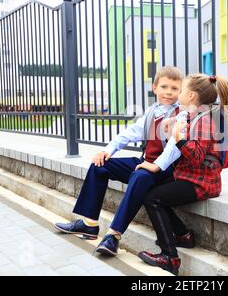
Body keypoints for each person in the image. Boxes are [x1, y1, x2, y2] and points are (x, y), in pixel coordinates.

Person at [55, 66, 192, 257]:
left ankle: (113, 236)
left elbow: (174, 146)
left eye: (175, 88)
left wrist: (156, 165)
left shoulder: (182, 114)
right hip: (146, 163)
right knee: (100, 165)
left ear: (181, 91)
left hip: (165, 170)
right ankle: (89, 224)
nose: (169, 92)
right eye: (164, 86)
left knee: (141, 175)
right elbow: (129, 134)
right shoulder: (151, 112)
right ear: (154, 87)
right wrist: (107, 151)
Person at [138, 74, 228, 275]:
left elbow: (196, 157)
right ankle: (183, 236)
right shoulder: (194, 115)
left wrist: (178, 139)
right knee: (153, 192)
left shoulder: (204, 120)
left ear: (192, 95)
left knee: (153, 198)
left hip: (201, 183)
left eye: (182, 89)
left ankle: (170, 257)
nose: (179, 93)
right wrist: (173, 129)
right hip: (192, 178)